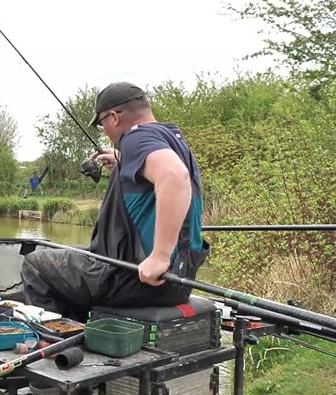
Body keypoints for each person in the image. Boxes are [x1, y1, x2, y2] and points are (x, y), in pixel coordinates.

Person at [20, 82, 210, 322]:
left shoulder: (135, 138)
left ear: (114, 117)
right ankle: (85, 330)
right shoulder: (171, 137)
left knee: (36, 264)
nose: (105, 131)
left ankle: (55, 341)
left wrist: (160, 255)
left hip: (142, 279)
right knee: (64, 253)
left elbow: (175, 178)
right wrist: (123, 161)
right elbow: (165, 175)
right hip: (179, 280)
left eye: (101, 124)